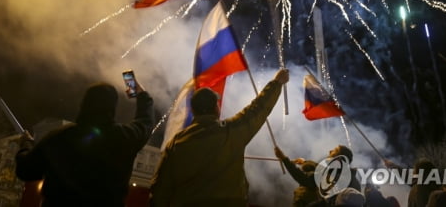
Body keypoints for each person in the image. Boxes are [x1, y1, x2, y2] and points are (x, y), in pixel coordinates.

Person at [149, 68, 289, 206]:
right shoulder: (230, 132)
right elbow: (257, 109)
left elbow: (160, 189)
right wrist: (277, 83)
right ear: (216, 107)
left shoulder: (175, 143)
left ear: (193, 110)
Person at [15, 80, 154, 206]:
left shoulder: (60, 137)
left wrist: (26, 145)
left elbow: (26, 170)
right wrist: (140, 93)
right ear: (112, 107)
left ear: (84, 104)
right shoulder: (124, 138)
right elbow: (146, 122)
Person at [274, 143, 362, 206]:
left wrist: (284, 159)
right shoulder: (349, 176)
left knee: (302, 192)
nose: (329, 151)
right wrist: (305, 162)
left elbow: (304, 179)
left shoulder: (332, 177)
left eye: (334, 151)